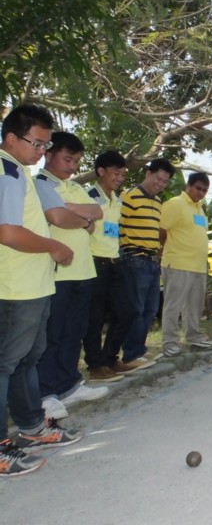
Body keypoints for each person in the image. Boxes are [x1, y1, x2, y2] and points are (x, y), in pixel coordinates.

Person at [0, 104, 82, 477]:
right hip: (14, 286)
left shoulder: (20, 172)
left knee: (26, 360)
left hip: (34, 285)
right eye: (37, 143)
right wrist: (53, 246)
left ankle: (32, 427)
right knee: (5, 364)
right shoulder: (6, 172)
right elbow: (8, 232)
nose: (41, 152)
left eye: (45, 145)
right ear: (11, 138)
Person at [34, 132, 109, 410]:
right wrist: (79, 217)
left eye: (76, 161)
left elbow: (97, 213)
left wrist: (72, 211)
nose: (72, 166)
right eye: (67, 159)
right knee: (52, 334)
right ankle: (46, 393)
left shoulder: (74, 186)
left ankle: (69, 385)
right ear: (48, 154)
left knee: (74, 332)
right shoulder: (39, 184)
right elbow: (57, 217)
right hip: (57, 273)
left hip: (83, 271)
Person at [84, 150, 137, 382]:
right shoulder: (88, 198)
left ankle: (110, 359)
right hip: (94, 263)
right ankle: (95, 366)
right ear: (101, 171)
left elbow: (112, 232)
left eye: (123, 174)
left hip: (116, 263)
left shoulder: (117, 200)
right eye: (116, 173)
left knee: (126, 311)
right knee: (94, 318)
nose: (120, 178)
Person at [119, 158, 175, 368]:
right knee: (136, 308)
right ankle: (131, 354)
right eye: (158, 179)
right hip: (134, 259)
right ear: (148, 174)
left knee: (150, 309)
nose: (160, 185)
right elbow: (117, 226)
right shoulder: (129, 196)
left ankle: (138, 352)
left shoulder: (157, 202)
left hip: (152, 261)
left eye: (165, 182)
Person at [159, 172, 212, 357]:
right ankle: (169, 343)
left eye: (205, 190)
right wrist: (161, 253)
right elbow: (161, 230)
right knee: (173, 305)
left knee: (194, 306)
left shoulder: (200, 209)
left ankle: (193, 337)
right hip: (177, 263)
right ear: (188, 186)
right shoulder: (176, 203)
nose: (201, 193)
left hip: (198, 266)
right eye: (198, 188)